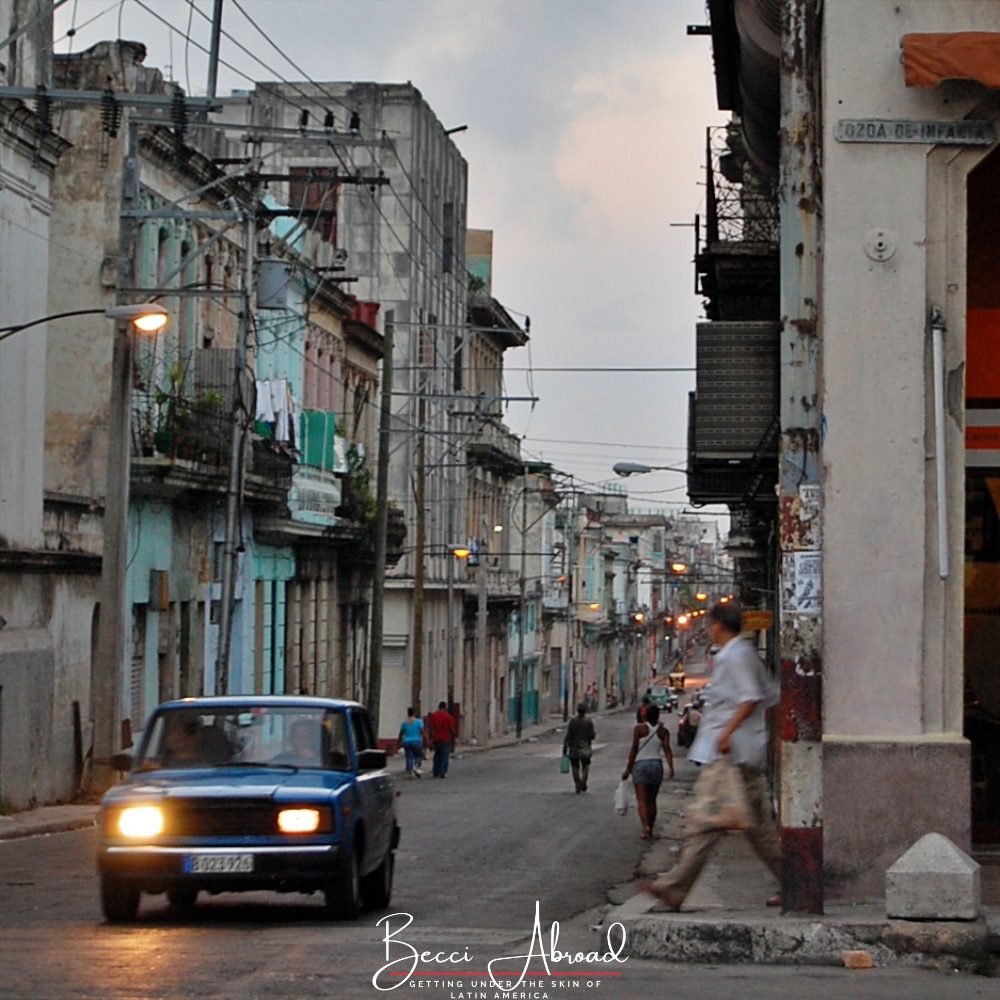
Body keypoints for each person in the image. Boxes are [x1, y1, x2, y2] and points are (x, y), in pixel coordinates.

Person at [645, 600, 781, 911]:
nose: (708, 629)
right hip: (734, 752)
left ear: (719, 625)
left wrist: (726, 733)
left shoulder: (737, 656)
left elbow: (752, 698)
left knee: (707, 822)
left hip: (731, 754)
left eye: (710, 624)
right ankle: (794, 881)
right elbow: (769, 697)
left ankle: (674, 889)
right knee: (754, 827)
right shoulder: (736, 655)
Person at [621, 703, 674, 839]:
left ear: (645, 715)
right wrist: (671, 767)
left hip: (641, 765)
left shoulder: (639, 729)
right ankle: (651, 826)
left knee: (642, 800)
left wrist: (628, 769)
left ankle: (646, 827)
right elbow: (667, 749)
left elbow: (634, 750)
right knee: (652, 800)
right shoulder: (663, 731)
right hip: (656, 765)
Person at [562, 703, 596, 793]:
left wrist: (565, 746)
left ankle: (578, 784)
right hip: (585, 746)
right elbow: (592, 735)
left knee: (575, 766)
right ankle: (583, 781)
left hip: (574, 748)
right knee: (585, 765)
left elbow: (569, 735)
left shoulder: (573, 721)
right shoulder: (588, 721)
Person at [427, 701, 458, 778]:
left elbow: (430, 728)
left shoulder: (434, 716)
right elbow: (451, 728)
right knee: (444, 756)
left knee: (437, 755)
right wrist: (454, 736)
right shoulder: (448, 716)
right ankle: (442, 772)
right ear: (445, 707)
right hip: (445, 738)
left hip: (436, 738)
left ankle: (436, 771)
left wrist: (430, 738)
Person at [396, 707, 425, 778]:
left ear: (408, 713)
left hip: (407, 741)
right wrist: (425, 740)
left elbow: (401, 733)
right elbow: (422, 731)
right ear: (414, 713)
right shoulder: (419, 722)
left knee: (409, 756)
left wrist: (399, 741)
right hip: (416, 741)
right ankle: (417, 767)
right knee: (418, 755)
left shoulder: (404, 723)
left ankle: (409, 771)